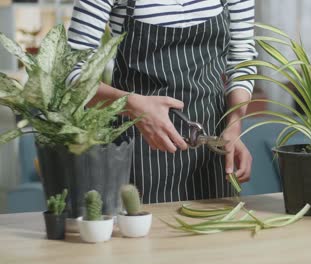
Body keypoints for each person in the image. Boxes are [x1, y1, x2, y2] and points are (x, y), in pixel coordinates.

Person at [66, 0, 257, 203]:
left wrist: (235, 124)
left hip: (211, 149)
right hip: (139, 151)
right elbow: (69, 75)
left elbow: (242, 59)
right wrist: (131, 105)